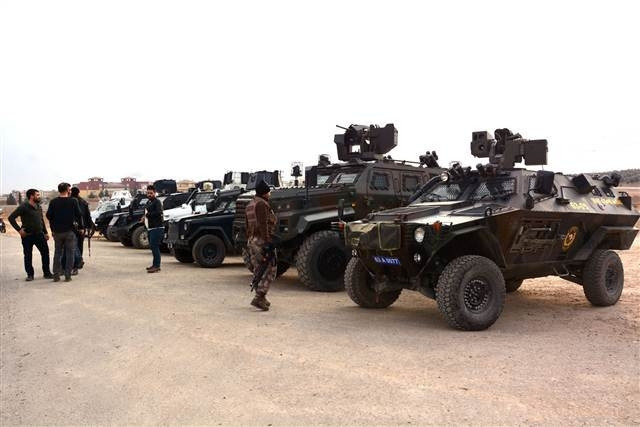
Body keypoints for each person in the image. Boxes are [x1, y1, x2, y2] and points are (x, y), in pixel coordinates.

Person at [245, 179, 277, 311]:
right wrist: (267, 241)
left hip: (252, 241)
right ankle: (259, 297)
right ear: (264, 193)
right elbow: (263, 224)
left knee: (259, 269)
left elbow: (247, 225)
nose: (269, 194)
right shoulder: (262, 204)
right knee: (270, 270)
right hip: (261, 241)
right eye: (268, 192)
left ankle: (261, 297)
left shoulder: (250, 204)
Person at [8, 189, 53, 281]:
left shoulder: (39, 207)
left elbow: (41, 220)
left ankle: (47, 273)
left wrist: (45, 232)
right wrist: (19, 230)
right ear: (31, 196)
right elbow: (11, 218)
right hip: (27, 236)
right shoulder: (23, 207)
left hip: (39, 234)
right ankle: (30, 275)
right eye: (37, 195)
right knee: (28, 255)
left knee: (45, 253)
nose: (39, 196)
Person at [46, 183, 83, 282]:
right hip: (69, 231)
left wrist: (54, 225)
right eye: (69, 189)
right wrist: (80, 226)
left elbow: (48, 215)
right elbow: (79, 214)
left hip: (57, 232)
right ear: (67, 190)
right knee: (70, 254)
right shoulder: (73, 201)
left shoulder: (53, 202)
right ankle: (67, 276)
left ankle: (56, 276)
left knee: (57, 253)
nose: (70, 191)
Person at [62, 187, 94, 275]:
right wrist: (88, 227)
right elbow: (87, 215)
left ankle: (72, 264)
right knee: (79, 246)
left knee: (69, 247)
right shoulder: (83, 202)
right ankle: (76, 265)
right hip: (81, 228)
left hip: (71, 227)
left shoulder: (69, 201)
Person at [142, 185, 163, 273]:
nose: (149, 195)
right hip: (150, 228)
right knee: (152, 247)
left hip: (157, 227)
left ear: (155, 193)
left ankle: (157, 266)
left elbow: (158, 213)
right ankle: (154, 265)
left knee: (155, 246)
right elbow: (146, 212)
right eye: (148, 193)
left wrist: (148, 215)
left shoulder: (157, 202)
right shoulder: (148, 202)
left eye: (151, 193)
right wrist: (144, 217)